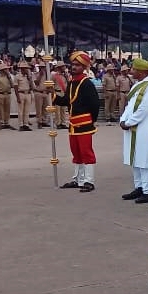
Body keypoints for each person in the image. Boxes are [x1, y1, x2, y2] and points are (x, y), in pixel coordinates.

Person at [54, 51, 100, 192]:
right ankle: (78, 180)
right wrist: (52, 95)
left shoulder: (87, 84)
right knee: (76, 153)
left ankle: (89, 181)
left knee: (86, 152)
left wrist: (91, 121)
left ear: (84, 67)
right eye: (73, 64)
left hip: (84, 123)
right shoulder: (72, 83)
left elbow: (95, 104)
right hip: (73, 124)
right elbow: (66, 101)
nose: (74, 67)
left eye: (77, 65)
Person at [119, 57, 148, 204]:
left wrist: (129, 122)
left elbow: (144, 108)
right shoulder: (138, 84)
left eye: (134, 69)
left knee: (144, 159)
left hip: (145, 127)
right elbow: (130, 106)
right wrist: (123, 120)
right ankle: (139, 187)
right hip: (133, 126)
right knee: (135, 158)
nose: (131, 71)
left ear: (142, 72)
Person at [0, 62, 14, 129]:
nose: (6, 70)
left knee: (7, 109)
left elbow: (12, 85)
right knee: (1, 109)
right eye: (5, 69)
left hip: (8, 93)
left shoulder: (9, 77)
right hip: (0, 94)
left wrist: (9, 77)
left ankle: (7, 122)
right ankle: (2, 123)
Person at [14, 61, 33, 131]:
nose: (26, 70)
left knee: (27, 110)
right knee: (20, 110)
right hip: (21, 93)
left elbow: (32, 87)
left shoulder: (29, 76)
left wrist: (29, 78)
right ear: (21, 69)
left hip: (28, 93)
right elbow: (15, 87)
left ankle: (26, 124)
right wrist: (17, 97)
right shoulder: (17, 76)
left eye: (27, 68)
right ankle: (21, 124)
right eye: (25, 68)